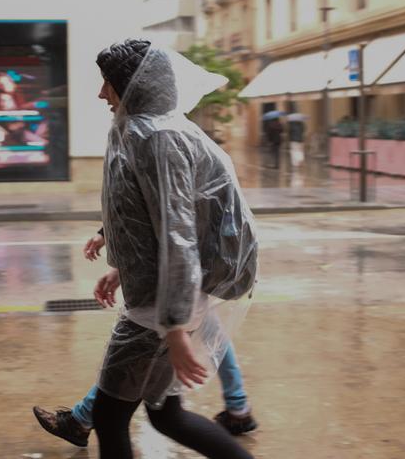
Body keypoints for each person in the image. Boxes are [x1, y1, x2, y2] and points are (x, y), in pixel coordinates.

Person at [61, 39, 257, 459]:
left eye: (108, 84)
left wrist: (174, 327)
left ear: (132, 86)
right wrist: (122, 269)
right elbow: (148, 220)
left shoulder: (159, 138)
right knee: (165, 414)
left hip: (159, 309)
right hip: (161, 300)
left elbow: (178, 235)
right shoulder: (143, 130)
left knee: (111, 418)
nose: (101, 94)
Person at [33, 228, 258, 447]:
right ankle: (238, 406)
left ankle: (80, 420)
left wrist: (174, 329)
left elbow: (165, 221)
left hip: (180, 282)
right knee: (165, 410)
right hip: (190, 276)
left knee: (138, 403)